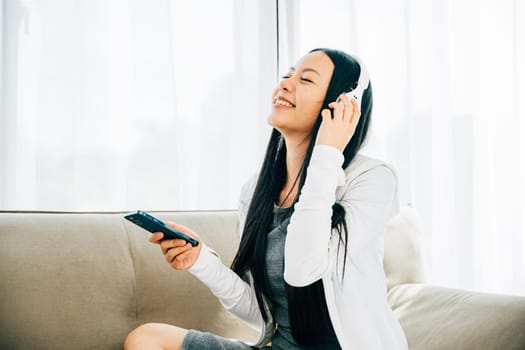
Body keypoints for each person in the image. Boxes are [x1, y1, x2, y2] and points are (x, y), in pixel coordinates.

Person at [124, 48, 409, 350]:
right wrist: (201, 261)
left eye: (306, 80)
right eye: (287, 75)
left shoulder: (372, 179)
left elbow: (303, 270)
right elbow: (261, 311)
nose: (285, 84)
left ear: (342, 105)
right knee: (145, 339)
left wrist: (328, 152)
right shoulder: (256, 191)